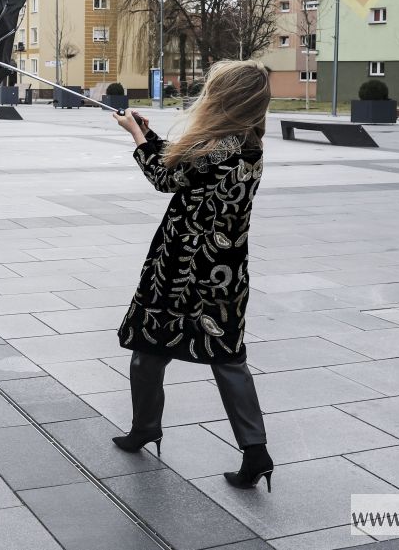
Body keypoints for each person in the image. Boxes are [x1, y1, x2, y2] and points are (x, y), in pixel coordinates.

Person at [110, 60, 274, 492]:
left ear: (224, 98)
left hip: (180, 267)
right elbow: (187, 171)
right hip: (225, 271)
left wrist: (135, 135)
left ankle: (145, 427)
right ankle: (255, 450)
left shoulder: (217, 145)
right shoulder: (248, 143)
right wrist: (148, 134)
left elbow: (164, 177)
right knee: (227, 357)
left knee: (149, 345)